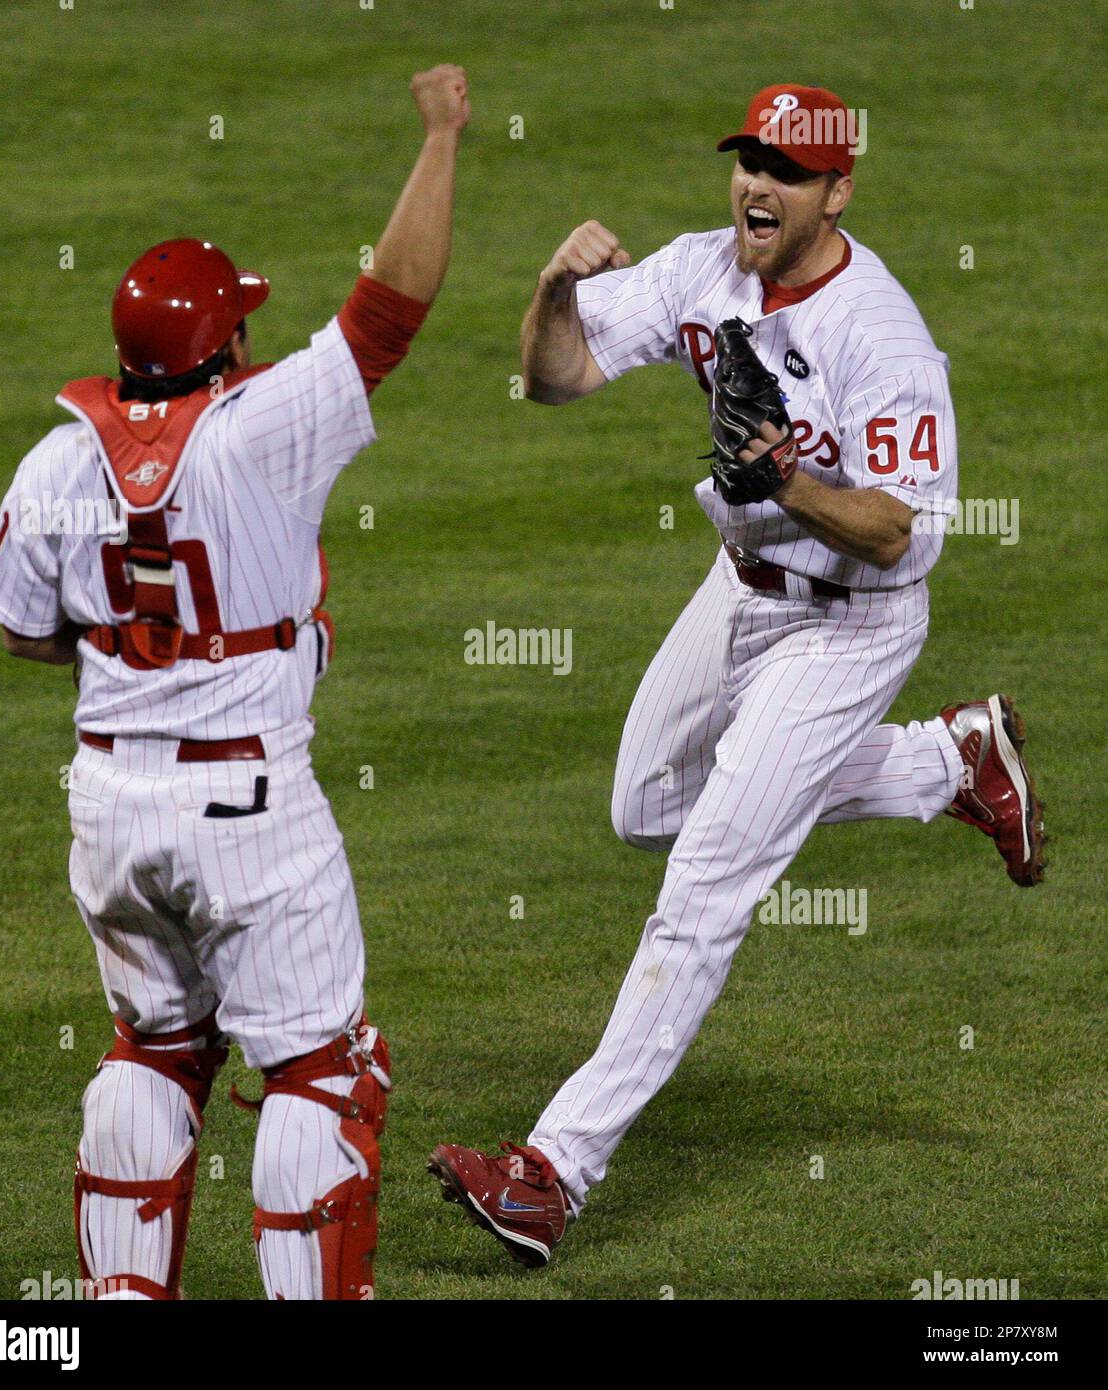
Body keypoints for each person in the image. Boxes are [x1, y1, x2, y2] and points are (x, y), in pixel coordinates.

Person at [428, 83, 1045, 1270]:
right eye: (748, 160)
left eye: (788, 169)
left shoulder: (882, 335)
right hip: (741, 592)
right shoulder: (700, 271)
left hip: (850, 626)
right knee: (644, 806)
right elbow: (555, 378)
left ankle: (552, 1171)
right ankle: (947, 760)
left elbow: (905, 537)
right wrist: (552, 292)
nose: (757, 184)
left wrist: (786, 482)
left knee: (705, 884)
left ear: (837, 190)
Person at [0, 64, 471, 1300]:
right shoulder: (266, 425)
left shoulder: (52, 459)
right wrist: (442, 135)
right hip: (251, 811)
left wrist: (140, 654)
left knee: (156, 1047)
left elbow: (24, 633)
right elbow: (390, 307)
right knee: (318, 1069)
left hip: (106, 807)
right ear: (229, 343)